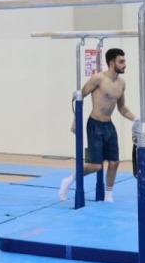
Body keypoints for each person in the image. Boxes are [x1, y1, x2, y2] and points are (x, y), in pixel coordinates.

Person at [58, 47, 137, 203]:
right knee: (96, 166)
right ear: (111, 62)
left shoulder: (122, 84)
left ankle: (108, 195)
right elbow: (81, 96)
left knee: (114, 162)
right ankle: (69, 180)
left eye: (124, 61)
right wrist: (76, 118)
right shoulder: (98, 79)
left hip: (109, 125)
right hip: (94, 125)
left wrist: (136, 119)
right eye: (121, 62)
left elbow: (122, 108)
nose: (124, 65)